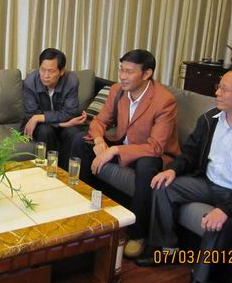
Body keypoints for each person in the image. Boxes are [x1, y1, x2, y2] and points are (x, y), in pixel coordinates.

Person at [136, 66, 232, 283]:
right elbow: (189, 154)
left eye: (224, 89)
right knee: (163, 186)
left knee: (219, 222)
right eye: (218, 86)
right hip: (207, 182)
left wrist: (225, 209)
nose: (217, 92)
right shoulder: (210, 119)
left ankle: (200, 278)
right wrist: (172, 170)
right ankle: (166, 250)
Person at [70, 49, 180, 258]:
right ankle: (82, 206)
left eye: (129, 72)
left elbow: (155, 147)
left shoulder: (164, 101)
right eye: (121, 69)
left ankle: (138, 235)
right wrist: (99, 140)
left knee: (147, 165)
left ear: (147, 74)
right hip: (123, 144)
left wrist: (114, 150)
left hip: (151, 154)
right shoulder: (117, 90)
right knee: (80, 140)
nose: (122, 76)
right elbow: (100, 121)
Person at [23, 48, 87, 167]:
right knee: (45, 131)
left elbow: (70, 113)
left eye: (51, 71)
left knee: (73, 133)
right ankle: (47, 170)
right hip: (42, 126)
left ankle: (64, 173)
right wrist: (62, 124)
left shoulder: (71, 81)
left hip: (62, 123)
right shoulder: (30, 82)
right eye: (42, 70)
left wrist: (39, 117)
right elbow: (31, 115)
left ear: (61, 71)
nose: (45, 75)